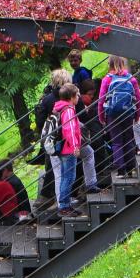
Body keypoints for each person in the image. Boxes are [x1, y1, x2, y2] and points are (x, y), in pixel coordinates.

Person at [34, 69, 72, 209]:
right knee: (61, 171)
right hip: (64, 138)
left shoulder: (47, 99)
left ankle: (51, 197)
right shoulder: (66, 97)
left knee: (54, 169)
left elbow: (40, 120)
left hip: (50, 139)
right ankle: (61, 200)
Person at [98, 56, 140, 175]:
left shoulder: (107, 80)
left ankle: (121, 171)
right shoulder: (131, 79)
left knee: (116, 142)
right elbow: (138, 99)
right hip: (128, 113)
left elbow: (101, 101)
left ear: (109, 64)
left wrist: (101, 117)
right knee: (128, 139)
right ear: (122, 63)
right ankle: (131, 167)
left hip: (112, 115)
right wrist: (137, 115)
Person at [50, 83, 83, 216]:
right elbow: (69, 129)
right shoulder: (68, 110)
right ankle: (64, 206)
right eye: (78, 94)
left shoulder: (61, 108)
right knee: (69, 177)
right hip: (68, 149)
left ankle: (65, 204)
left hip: (64, 148)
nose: (79, 97)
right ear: (71, 97)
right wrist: (75, 146)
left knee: (66, 177)